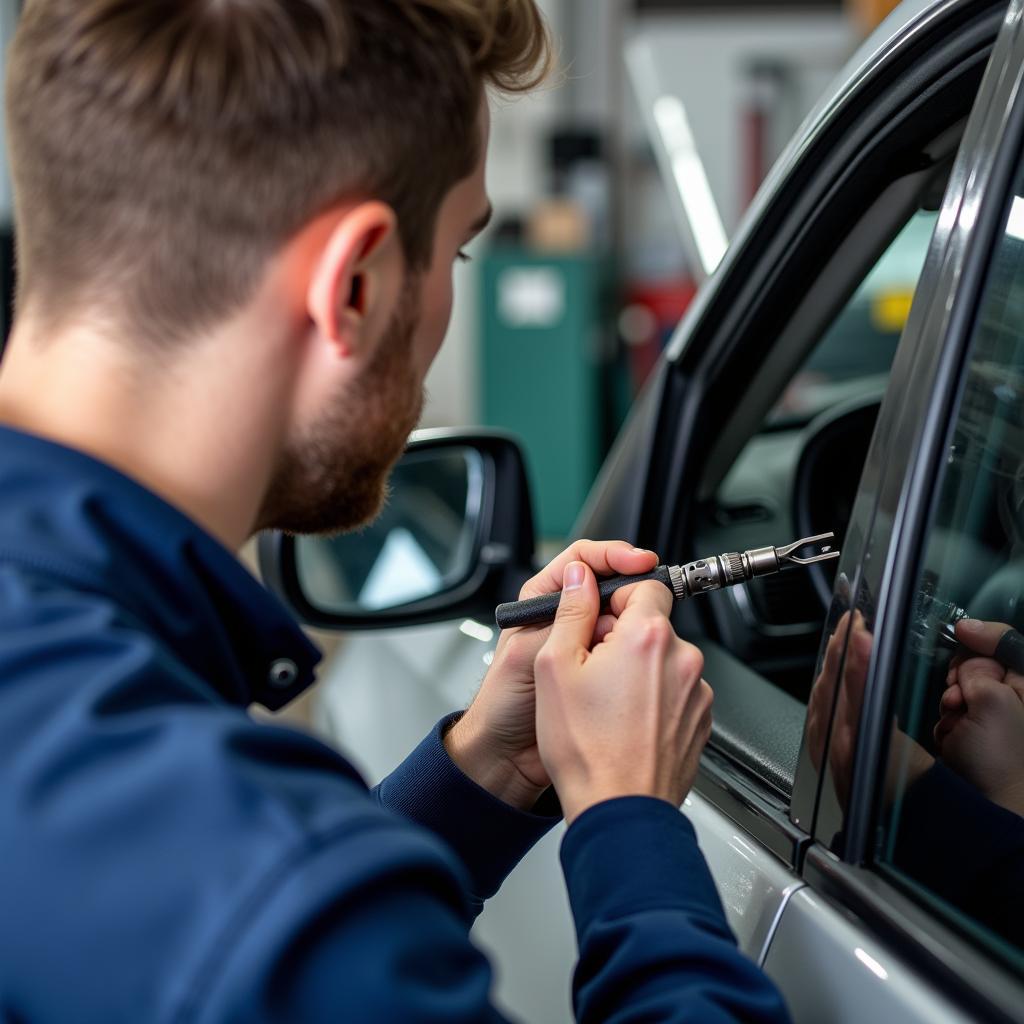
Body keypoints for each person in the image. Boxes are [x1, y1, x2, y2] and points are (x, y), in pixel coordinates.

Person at [0, 2, 791, 1021]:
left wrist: (481, 776)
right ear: (357, 286)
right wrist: (631, 819)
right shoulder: (256, 890)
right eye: (458, 255)